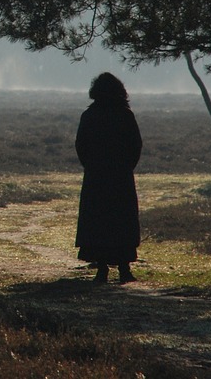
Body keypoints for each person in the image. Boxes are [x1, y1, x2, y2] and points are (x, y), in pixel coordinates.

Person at [75, 72, 142, 284]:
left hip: (96, 178)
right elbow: (136, 145)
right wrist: (125, 167)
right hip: (120, 177)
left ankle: (102, 269)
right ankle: (124, 268)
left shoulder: (90, 116)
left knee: (98, 223)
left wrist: (92, 166)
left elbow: (81, 146)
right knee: (121, 222)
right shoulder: (125, 115)